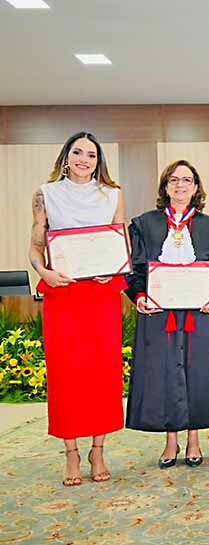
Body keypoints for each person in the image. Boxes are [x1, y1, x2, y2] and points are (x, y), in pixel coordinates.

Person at [29, 132, 126, 485]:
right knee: (66, 372)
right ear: (66, 157)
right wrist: (44, 273)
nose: (84, 159)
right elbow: (35, 245)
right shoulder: (46, 194)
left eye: (91, 154)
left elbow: (120, 239)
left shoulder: (112, 194)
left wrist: (113, 268)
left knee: (102, 371)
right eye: (77, 153)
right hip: (63, 293)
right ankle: (70, 452)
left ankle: (97, 449)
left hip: (100, 293)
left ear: (98, 160)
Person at [125, 159, 209, 468]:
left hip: (199, 314)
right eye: (174, 180)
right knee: (164, 374)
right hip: (158, 315)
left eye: (187, 180)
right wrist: (139, 296)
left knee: (197, 372)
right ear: (165, 186)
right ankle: (170, 439)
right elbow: (132, 268)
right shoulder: (144, 224)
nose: (180, 185)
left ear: (196, 187)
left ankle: (194, 440)